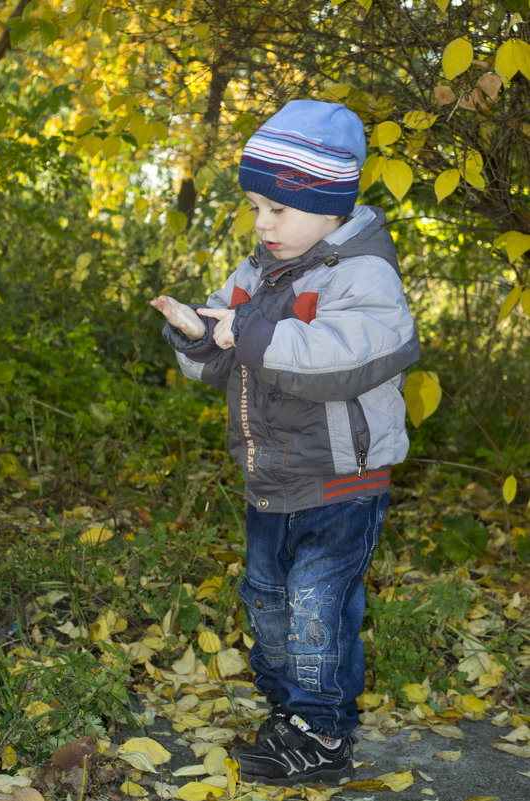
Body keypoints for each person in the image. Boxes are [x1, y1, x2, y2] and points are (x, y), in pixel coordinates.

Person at [151, 99, 420, 787]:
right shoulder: (252, 276)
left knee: (315, 606)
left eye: (278, 209)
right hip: (270, 477)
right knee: (266, 597)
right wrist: (195, 334)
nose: (263, 223)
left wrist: (248, 332)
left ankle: (321, 729)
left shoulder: (363, 276)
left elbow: (346, 355)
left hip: (340, 482)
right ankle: (288, 709)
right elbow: (220, 358)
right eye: (254, 207)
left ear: (329, 205)